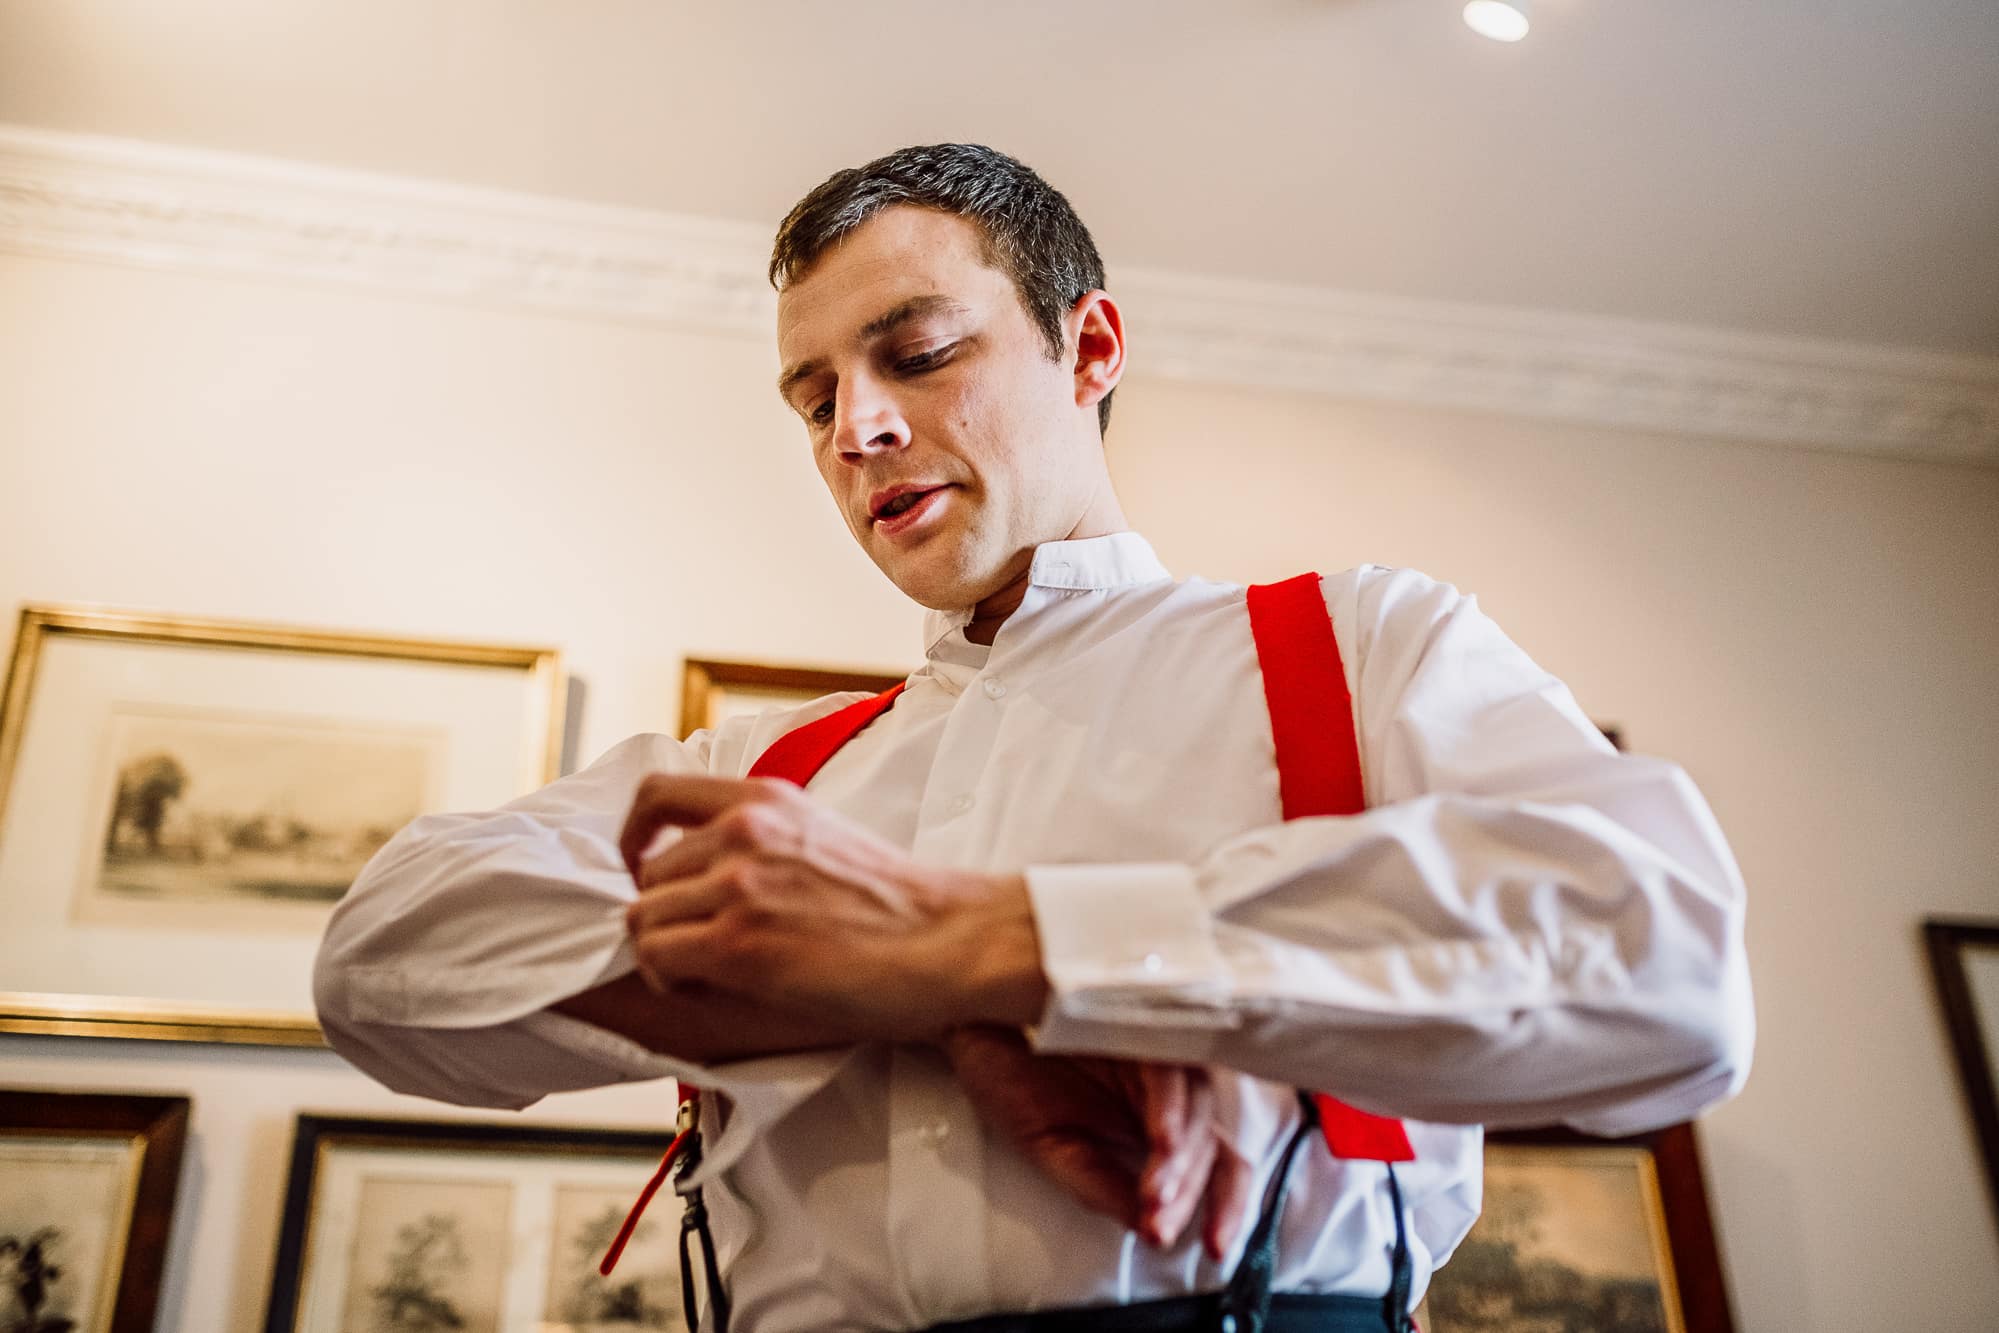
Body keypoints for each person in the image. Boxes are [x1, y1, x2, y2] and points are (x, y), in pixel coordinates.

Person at [315, 143, 1753, 1333]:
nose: (856, 429)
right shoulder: (748, 771)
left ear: (1092, 347)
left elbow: (1660, 956)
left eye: (918, 353)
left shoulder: (1363, 644)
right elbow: (383, 962)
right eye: (814, 401)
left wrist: (984, 941)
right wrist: (934, 990)